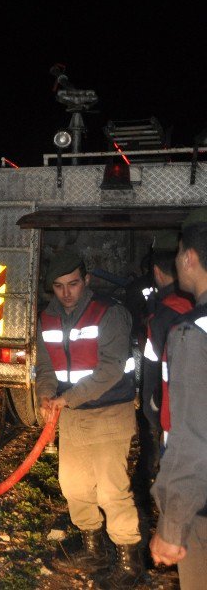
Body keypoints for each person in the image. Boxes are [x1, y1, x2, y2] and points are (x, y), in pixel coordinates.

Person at [35, 250, 143, 587]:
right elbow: (45, 366)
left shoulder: (109, 313)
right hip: (72, 415)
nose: (66, 293)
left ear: (87, 280)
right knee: (74, 486)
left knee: (112, 490)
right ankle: (93, 548)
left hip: (110, 411)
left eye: (73, 284)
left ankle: (129, 560)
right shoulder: (47, 317)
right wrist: (45, 394)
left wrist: (66, 398)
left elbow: (111, 368)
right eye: (59, 286)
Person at [150, 208, 207, 585]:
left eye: (178, 253)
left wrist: (171, 528)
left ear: (189, 258)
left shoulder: (193, 333)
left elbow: (193, 438)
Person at [137, 231, 192, 485]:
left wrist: (153, 415)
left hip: (177, 427)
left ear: (158, 272)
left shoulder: (163, 316)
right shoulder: (194, 305)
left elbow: (153, 374)